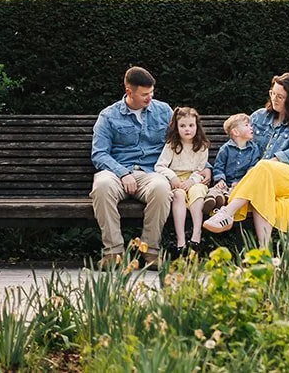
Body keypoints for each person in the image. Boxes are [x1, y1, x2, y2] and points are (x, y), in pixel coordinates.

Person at [203, 73, 289, 247]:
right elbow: (236, 145)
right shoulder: (259, 117)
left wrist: (257, 172)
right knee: (262, 185)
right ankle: (264, 252)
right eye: (272, 93)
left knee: (263, 168)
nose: (274, 99)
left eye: (280, 96)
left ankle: (227, 212)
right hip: (262, 178)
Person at [89, 66, 174, 268]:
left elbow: (184, 142)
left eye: (152, 92)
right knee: (100, 187)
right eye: (145, 94)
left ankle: (150, 252)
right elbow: (99, 153)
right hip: (116, 172)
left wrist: (203, 167)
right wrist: (123, 173)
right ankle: (113, 253)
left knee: (162, 189)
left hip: (151, 172)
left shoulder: (164, 111)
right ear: (129, 91)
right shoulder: (108, 116)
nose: (150, 98)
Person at [155, 106, 212, 254]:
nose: (187, 129)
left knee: (197, 193)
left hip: (194, 179)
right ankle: (180, 240)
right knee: (178, 195)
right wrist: (172, 177)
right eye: (183, 126)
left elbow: (200, 169)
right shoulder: (172, 145)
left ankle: (196, 235)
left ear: (197, 126)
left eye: (191, 125)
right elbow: (160, 166)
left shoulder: (202, 146)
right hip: (176, 180)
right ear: (176, 127)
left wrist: (192, 181)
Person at [203, 112, 262, 221]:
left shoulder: (254, 150)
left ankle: (224, 199)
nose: (251, 127)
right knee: (216, 189)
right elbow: (219, 166)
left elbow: (252, 169)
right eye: (246, 125)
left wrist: (242, 182)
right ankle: (211, 200)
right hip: (226, 182)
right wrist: (220, 180)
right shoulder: (225, 149)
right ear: (235, 132)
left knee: (233, 193)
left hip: (241, 186)